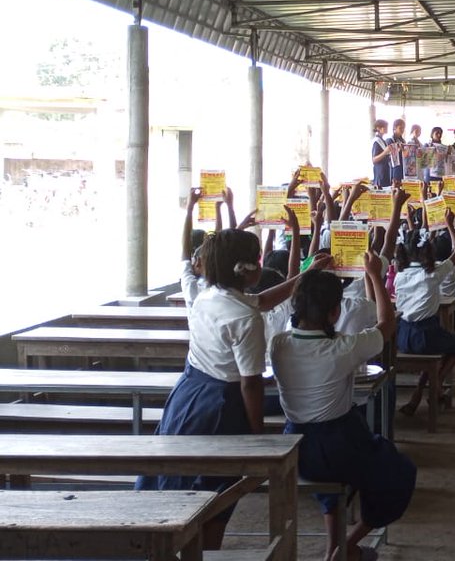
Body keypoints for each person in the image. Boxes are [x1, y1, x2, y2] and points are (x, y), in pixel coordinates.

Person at [139, 228, 330, 550]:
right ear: (247, 269)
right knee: (216, 493)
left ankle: (172, 546)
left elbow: (265, 300)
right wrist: (257, 437)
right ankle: (202, 551)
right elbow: (251, 383)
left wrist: (306, 274)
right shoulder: (244, 318)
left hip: (189, 393)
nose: (260, 263)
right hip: (221, 406)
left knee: (181, 479)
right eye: (258, 259)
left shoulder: (207, 293)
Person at [268, 254, 415, 561]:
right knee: (400, 473)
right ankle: (348, 544)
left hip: (294, 443)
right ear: (335, 312)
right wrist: (374, 274)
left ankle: (333, 549)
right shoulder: (342, 349)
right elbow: (387, 324)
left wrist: (307, 274)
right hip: (339, 442)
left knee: (334, 488)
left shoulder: (279, 345)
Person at [389, 198, 455, 416]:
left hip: (403, 335)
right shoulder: (433, 273)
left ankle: (418, 394)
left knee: (437, 348)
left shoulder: (400, 275)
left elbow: (413, 243)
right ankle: (437, 384)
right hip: (425, 334)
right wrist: (451, 224)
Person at [370, 119, 391, 189]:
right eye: (384, 127)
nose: (386, 128)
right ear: (378, 128)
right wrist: (385, 152)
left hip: (386, 171)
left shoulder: (383, 141)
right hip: (380, 173)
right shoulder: (376, 141)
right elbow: (374, 160)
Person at [388, 119, 406, 184]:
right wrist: (398, 150)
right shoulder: (390, 140)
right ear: (394, 128)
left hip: (403, 168)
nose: (402, 130)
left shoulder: (403, 141)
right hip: (394, 169)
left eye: (403, 128)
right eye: (400, 128)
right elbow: (389, 156)